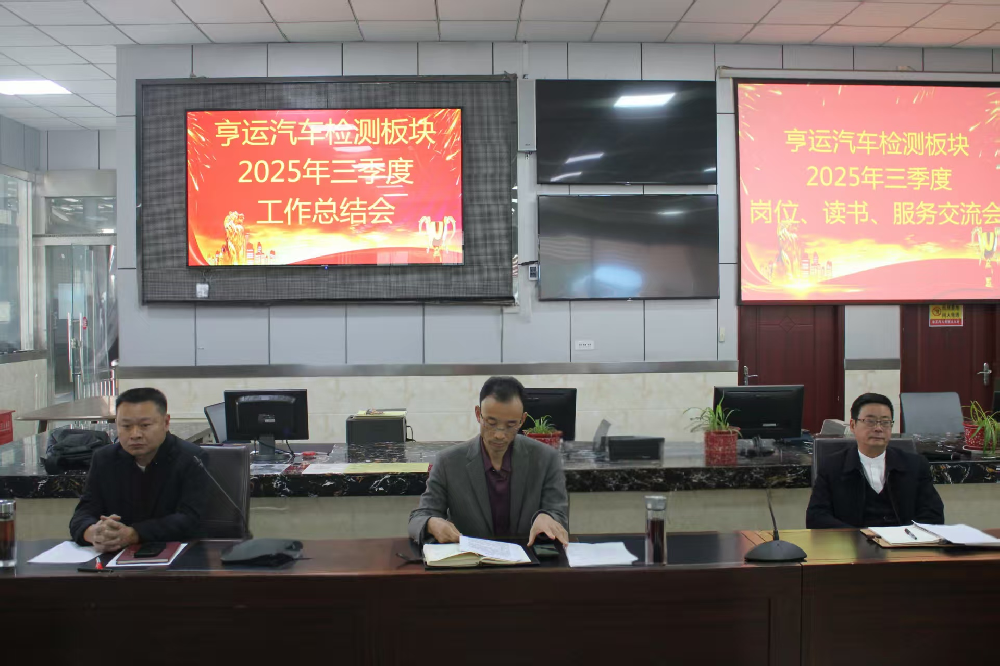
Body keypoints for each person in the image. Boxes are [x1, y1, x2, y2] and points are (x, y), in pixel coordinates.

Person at [408, 376, 570, 546]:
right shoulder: (449, 462)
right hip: (472, 559)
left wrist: (547, 517)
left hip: (527, 557)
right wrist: (432, 523)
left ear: (522, 420)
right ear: (478, 414)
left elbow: (559, 515)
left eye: (510, 425)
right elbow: (419, 518)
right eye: (491, 423)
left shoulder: (546, 458)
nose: (499, 435)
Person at [69, 387, 209, 552]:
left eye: (145, 425)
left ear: (166, 423)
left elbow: (190, 520)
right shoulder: (104, 459)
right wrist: (94, 533)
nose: (135, 434)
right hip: (114, 556)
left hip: (177, 555)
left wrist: (134, 534)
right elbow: (84, 512)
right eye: (126, 426)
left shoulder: (191, 458)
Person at [806, 392, 944, 529]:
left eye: (885, 422)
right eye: (870, 421)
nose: (878, 428)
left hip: (903, 541)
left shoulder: (915, 465)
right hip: (853, 541)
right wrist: (856, 535)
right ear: (853, 425)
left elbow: (933, 514)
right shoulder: (832, 466)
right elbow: (816, 517)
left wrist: (907, 535)